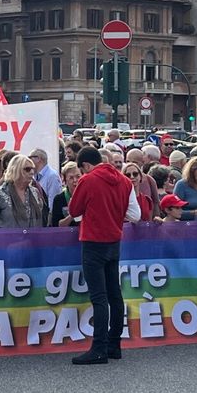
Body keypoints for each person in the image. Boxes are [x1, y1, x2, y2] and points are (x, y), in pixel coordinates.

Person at [67, 146, 141, 365]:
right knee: (114, 295)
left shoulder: (88, 181)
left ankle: (98, 348)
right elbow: (133, 212)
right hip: (114, 241)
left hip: (93, 242)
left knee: (98, 297)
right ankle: (114, 344)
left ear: (86, 165)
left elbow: (74, 210)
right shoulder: (125, 181)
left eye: (82, 170)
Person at [0, 155, 46, 229]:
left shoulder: (35, 192)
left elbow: (43, 219)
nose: (32, 172)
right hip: (7, 239)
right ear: (16, 170)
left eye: (33, 169)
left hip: (32, 239)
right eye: (27, 169)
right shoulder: (0, 193)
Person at [50, 162, 81, 227]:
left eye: (78, 176)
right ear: (65, 180)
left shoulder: (88, 196)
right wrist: (72, 215)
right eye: (71, 178)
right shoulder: (59, 199)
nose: (75, 180)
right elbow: (56, 225)